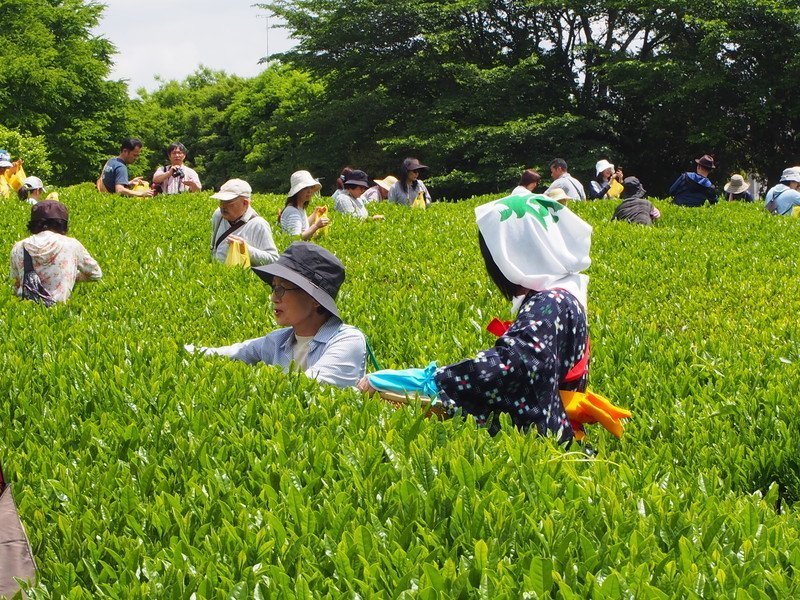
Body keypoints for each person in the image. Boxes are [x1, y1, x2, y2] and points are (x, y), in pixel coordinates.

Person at [358, 194, 596, 443]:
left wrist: (428, 381)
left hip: (541, 446)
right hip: (559, 432)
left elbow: (509, 367)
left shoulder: (550, 303)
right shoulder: (562, 296)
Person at [186, 242, 367, 388]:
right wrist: (183, 351)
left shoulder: (347, 340)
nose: (273, 297)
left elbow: (308, 387)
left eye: (281, 289)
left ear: (315, 299)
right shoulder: (279, 340)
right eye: (273, 288)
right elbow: (235, 352)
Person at [10, 200, 102, 303]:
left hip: (25, 310)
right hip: (58, 309)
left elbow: (15, 283)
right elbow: (96, 274)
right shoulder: (71, 245)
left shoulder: (19, 247)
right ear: (62, 223)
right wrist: (72, 276)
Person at [210, 178, 279, 265]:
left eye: (228, 202)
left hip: (241, 276)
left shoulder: (258, 224)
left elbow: (273, 259)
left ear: (245, 203)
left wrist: (246, 249)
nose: (222, 206)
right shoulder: (218, 215)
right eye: (221, 201)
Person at [280, 170, 330, 239]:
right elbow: (296, 238)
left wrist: (315, 214)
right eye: (305, 188)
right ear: (297, 191)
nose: (309, 191)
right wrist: (316, 226)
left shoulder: (299, 208)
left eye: (311, 187)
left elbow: (303, 226)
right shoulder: (293, 212)